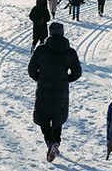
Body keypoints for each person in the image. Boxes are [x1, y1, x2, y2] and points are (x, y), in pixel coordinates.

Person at [28, 22, 82, 163]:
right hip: (61, 93)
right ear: (63, 33)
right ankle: (56, 141)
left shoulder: (41, 50)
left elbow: (31, 70)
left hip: (43, 91)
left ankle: (50, 142)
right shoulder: (70, 52)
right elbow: (77, 73)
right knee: (58, 118)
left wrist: (40, 78)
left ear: (49, 33)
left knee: (43, 118)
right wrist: (65, 80)